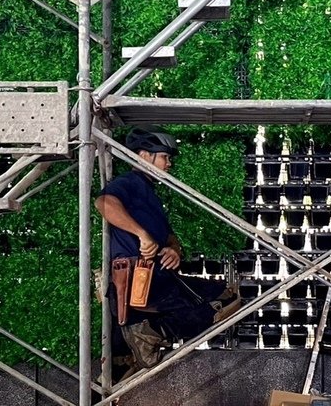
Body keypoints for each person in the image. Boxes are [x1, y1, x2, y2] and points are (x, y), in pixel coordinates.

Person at [95, 126, 240, 379]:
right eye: (165, 157)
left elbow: (169, 235)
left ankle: (147, 334)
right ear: (143, 155)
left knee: (226, 299)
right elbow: (104, 203)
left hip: (157, 277)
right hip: (139, 279)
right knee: (226, 299)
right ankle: (150, 333)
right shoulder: (129, 182)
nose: (169, 164)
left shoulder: (149, 192)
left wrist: (174, 249)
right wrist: (141, 235)